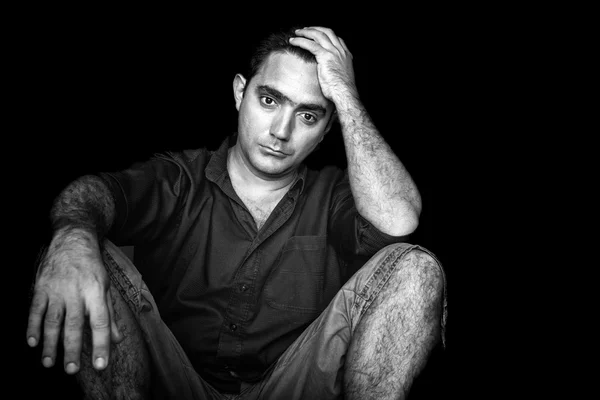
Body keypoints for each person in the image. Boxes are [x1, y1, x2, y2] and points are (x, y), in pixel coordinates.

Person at [26, 25, 447, 399]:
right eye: (269, 100)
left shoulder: (335, 194)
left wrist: (347, 97)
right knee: (77, 248)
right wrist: (74, 235)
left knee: (416, 269)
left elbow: (400, 219)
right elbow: (94, 193)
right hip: (173, 383)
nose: (281, 132)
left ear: (325, 130)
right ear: (239, 92)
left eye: (307, 115)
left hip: (294, 387)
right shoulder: (179, 179)